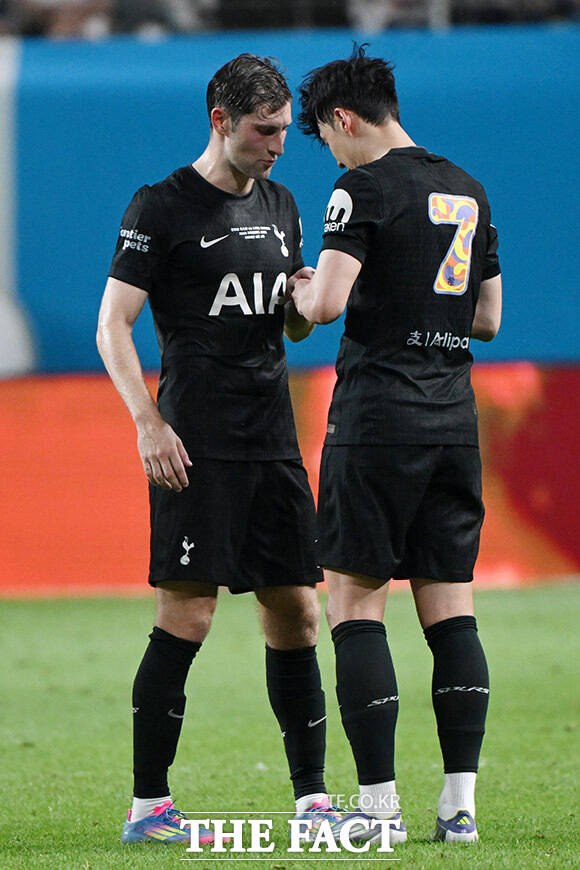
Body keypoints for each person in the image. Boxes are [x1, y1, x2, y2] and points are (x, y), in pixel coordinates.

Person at [97, 53, 347, 846]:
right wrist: (148, 422)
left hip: (271, 440)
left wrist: (304, 299)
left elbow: (290, 324)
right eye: (265, 130)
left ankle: (312, 803)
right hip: (194, 444)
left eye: (285, 130)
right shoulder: (162, 205)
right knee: (189, 613)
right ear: (221, 120)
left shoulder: (282, 203)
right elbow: (113, 324)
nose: (279, 145)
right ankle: (149, 808)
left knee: (297, 613)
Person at [292, 46, 502, 846]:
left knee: (355, 604)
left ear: (343, 119)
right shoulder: (468, 188)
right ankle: (460, 809)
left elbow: (326, 305)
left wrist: (299, 286)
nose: (332, 156)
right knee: (451, 609)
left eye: (325, 138)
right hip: (453, 420)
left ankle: (377, 809)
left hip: (377, 419)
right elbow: (488, 319)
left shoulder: (363, 188)